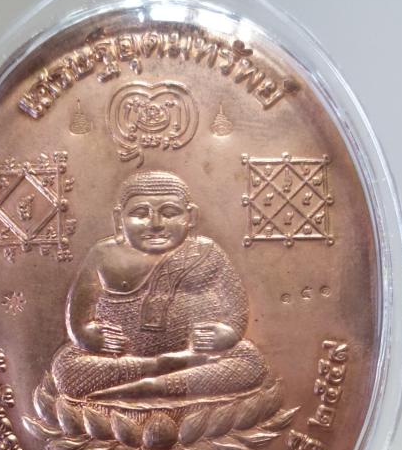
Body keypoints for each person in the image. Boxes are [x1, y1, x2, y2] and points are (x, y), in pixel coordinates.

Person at [51, 170, 268, 402]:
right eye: (140, 213)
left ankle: (158, 386)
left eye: (169, 213)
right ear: (118, 218)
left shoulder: (207, 252)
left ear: (191, 216)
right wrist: (85, 335)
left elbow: (236, 306)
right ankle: (158, 368)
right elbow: (78, 313)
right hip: (123, 359)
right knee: (66, 368)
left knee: (250, 360)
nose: (155, 224)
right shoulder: (103, 254)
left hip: (200, 355)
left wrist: (229, 333)